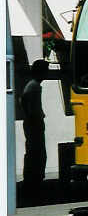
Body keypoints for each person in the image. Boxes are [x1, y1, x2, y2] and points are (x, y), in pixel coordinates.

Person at [21, 59, 49, 204]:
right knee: (37, 154)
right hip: (34, 125)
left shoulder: (31, 85)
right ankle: (34, 184)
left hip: (32, 124)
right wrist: (38, 119)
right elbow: (33, 109)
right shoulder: (34, 87)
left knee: (33, 154)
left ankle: (32, 183)